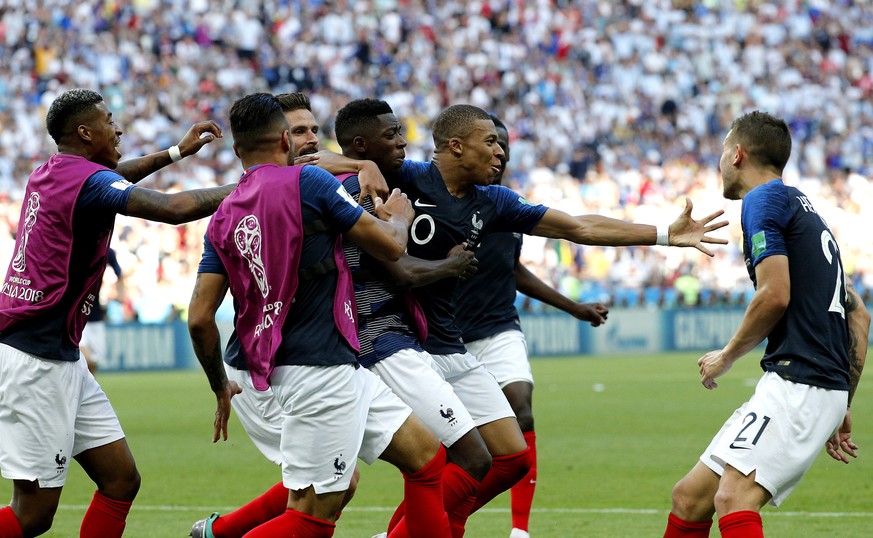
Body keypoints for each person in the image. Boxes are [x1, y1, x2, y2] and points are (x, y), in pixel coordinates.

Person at [391, 103, 727, 532]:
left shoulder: (493, 202)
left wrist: (663, 234)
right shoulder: (404, 177)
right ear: (456, 146)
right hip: (401, 345)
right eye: (491, 142)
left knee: (509, 457)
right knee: (424, 463)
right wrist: (358, 166)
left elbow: (578, 227)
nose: (501, 152)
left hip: (452, 343)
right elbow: (319, 166)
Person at [187, 93, 450, 537]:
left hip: (300, 363)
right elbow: (389, 245)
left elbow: (198, 317)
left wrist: (218, 387)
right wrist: (399, 219)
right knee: (312, 514)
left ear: (237, 151)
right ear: (286, 140)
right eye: (301, 132)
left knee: (426, 458)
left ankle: (218, 532)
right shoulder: (309, 185)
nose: (310, 140)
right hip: (316, 368)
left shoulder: (225, 214)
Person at [0, 88, 233, 538]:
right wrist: (254, 184)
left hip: (59, 355)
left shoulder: (51, 173)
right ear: (86, 133)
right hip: (34, 360)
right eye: (109, 119)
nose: (118, 126)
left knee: (121, 480)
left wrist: (174, 153)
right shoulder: (84, 182)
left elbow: (110, 181)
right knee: (33, 515)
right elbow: (173, 209)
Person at [662, 111, 869, 538]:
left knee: (733, 498)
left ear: (738, 154)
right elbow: (859, 315)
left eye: (722, 150)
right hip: (811, 385)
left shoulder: (762, 201)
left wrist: (727, 355)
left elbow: (775, 294)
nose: (719, 161)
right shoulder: (806, 212)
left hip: (801, 383)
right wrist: (841, 401)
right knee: (691, 499)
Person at [333, 99, 503, 538]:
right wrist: (446, 261)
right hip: (381, 343)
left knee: (340, 483)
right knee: (466, 459)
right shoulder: (359, 196)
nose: (402, 141)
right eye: (390, 135)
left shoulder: (373, 183)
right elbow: (403, 270)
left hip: (398, 340)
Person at [454, 114, 609, 538]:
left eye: (503, 145)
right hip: (449, 338)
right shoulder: (442, 200)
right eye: (490, 143)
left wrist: (572, 306)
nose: (498, 152)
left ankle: (519, 530)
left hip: (500, 327)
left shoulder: (508, 204)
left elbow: (513, 270)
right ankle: (442, 519)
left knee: (521, 408)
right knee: (458, 446)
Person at [80, 247, 124, 374]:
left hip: (94, 314)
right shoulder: (73, 245)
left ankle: (85, 391)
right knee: (85, 359)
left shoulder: (106, 251)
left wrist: (121, 293)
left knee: (95, 361)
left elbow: (119, 273)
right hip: (74, 314)